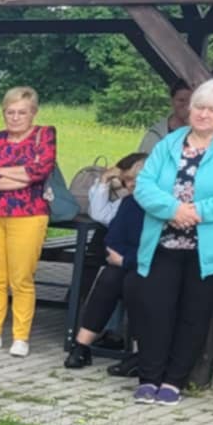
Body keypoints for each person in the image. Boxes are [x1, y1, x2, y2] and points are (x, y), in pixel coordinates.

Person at [129, 77, 213, 406]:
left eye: (212, 109)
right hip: (162, 243)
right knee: (154, 312)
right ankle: (148, 378)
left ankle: (174, 381)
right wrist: (172, 209)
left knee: (194, 315)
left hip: (208, 248)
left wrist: (195, 213)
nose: (203, 114)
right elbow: (143, 185)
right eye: (199, 107)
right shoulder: (170, 143)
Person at [0, 87, 57, 357]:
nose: (15, 118)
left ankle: (20, 337)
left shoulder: (45, 134)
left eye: (22, 112)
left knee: (21, 278)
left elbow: (40, 171)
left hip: (29, 215)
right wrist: (22, 176)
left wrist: (1, 172)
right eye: (10, 112)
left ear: (33, 113)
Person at [65, 152, 148, 369]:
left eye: (133, 181)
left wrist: (127, 260)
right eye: (126, 181)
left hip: (150, 264)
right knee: (109, 279)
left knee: (135, 284)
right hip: (125, 260)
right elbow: (113, 237)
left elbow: (159, 246)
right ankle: (81, 345)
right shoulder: (128, 203)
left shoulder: (162, 207)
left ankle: (141, 353)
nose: (129, 186)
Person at [138, 81, 194, 155]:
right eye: (181, 100)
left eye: (191, 101)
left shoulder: (202, 132)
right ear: (171, 101)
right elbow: (143, 160)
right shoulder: (156, 135)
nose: (187, 105)